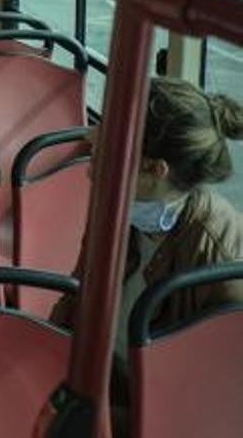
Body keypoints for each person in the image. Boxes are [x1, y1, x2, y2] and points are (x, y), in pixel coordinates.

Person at [53, 76, 243, 434]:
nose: (90, 138)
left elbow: (214, 401)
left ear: (154, 170)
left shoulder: (218, 253)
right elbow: (77, 299)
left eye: (109, 135)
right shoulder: (116, 203)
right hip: (104, 383)